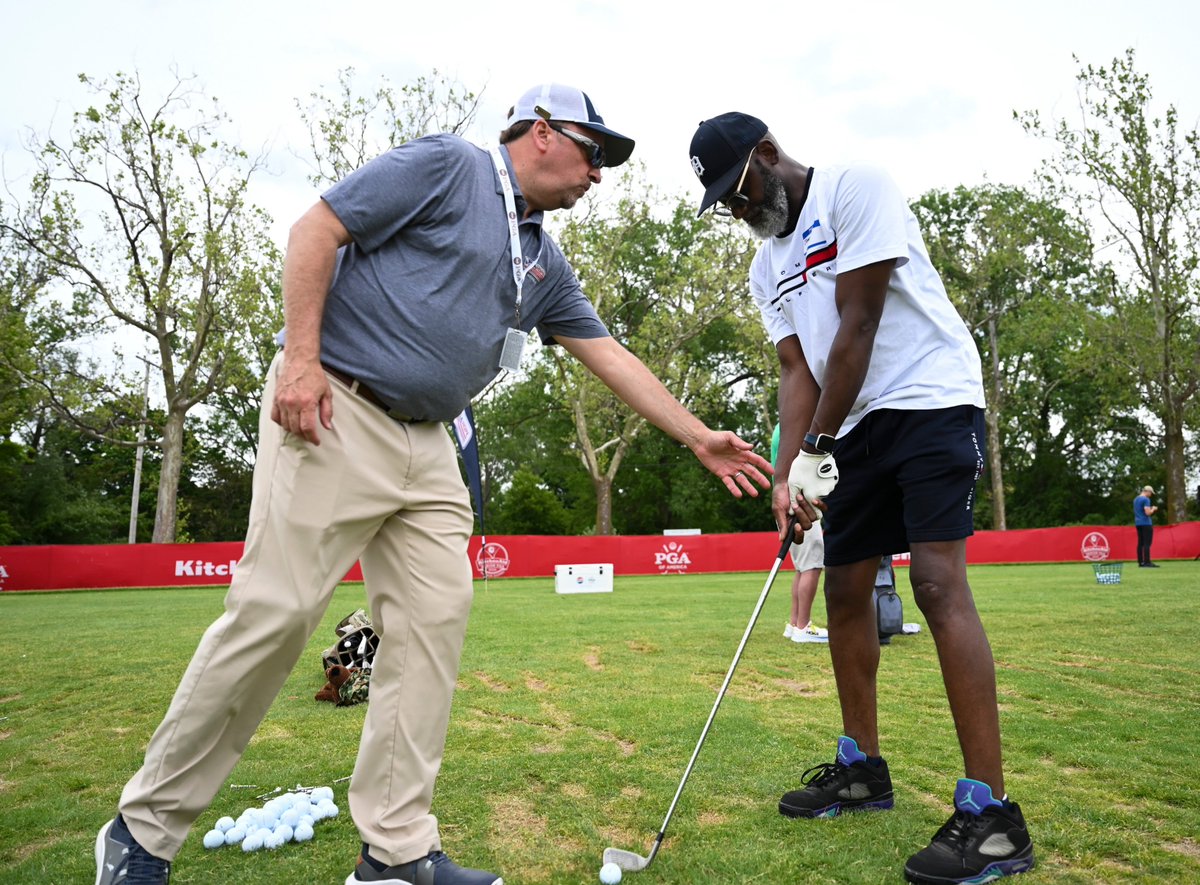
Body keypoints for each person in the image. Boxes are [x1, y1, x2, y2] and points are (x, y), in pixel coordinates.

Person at [94, 84, 773, 885]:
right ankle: (141, 832)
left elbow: (609, 352)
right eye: (596, 153)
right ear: (543, 133)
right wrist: (303, 362)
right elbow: (316, 229)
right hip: (335, 406)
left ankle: (393, 849)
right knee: (273, 617)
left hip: (428, 447)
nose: (601, 175)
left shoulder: (542, 259)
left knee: (430, 629)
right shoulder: (450, 165)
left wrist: (697, 436)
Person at [688, 113, 1034, 884]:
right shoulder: (762, 267)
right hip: (849, 426)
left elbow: (860, 322)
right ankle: (861, 769)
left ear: (768, 155)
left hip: (929, 400)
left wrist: (815, 448)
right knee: (845, 587)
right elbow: (795, 371)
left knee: (936, 582)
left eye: (740, 191)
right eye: (725, 204)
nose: (740, 211)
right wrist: (787, 473)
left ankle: (993, 815)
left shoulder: (856, 188)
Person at [771, 422, 828, 643]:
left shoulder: (781, 427)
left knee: (802, 567)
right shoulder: (797, 427)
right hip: (800, 505)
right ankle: (803, 626)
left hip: (787, 503)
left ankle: (795, 624)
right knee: (813, 565)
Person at [1134, 485, 1159, 567]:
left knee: (1140, 543)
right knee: (1147, 543)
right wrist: (1153, 509)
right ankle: (1147, 562)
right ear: (1147, 491)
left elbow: (1140, 510)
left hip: (1138, 523)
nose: (1151, 495)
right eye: (1151, 493)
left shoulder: (1136, 499)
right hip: (1146, 523)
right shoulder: (1146, 499)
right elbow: (1147, 513)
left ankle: (1140, 562)